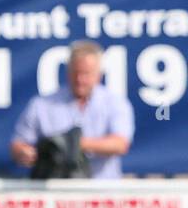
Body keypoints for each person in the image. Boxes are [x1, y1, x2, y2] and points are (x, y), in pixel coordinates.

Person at [10, 40, 135, 179]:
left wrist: (70, 145)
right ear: (68, 71)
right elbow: (18, 144)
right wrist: (26, 153)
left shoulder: (115, 103)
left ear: (99, 74)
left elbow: (120, 144)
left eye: (86, 74)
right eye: (76, 73)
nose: (80, 79)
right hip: (53, 190)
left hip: (101, 192)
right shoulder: (41, 105)